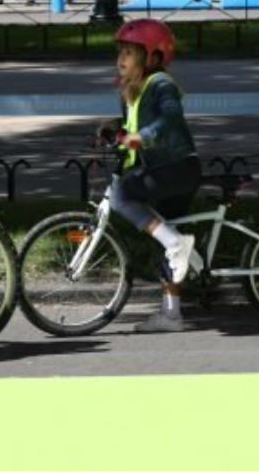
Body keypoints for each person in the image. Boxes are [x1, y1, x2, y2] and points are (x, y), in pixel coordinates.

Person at [104, 18, 203, 333]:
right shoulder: (132, 91)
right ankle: (172, 314)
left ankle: (177, 245)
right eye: (120, 51)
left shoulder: (161, 83)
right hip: (164, 169)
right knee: (165, 235)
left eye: (130, 52)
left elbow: (171, 118)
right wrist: (115, 130)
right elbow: (132, 130)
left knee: (121, 195)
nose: (122, 59)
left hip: (175, 167)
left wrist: (143, 136)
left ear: (154, 58)